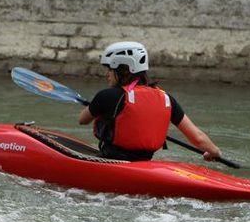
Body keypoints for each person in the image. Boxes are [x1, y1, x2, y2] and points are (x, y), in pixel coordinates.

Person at [78, 41, 222, 162]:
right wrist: (214, 152)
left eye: (110, 68)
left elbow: (82, 120)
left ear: (124, 69)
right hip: (145, 163)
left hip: (112, 161)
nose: (106, 74)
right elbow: (198, 137)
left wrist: (97, 107)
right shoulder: (165, 98)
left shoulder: (107, 95)